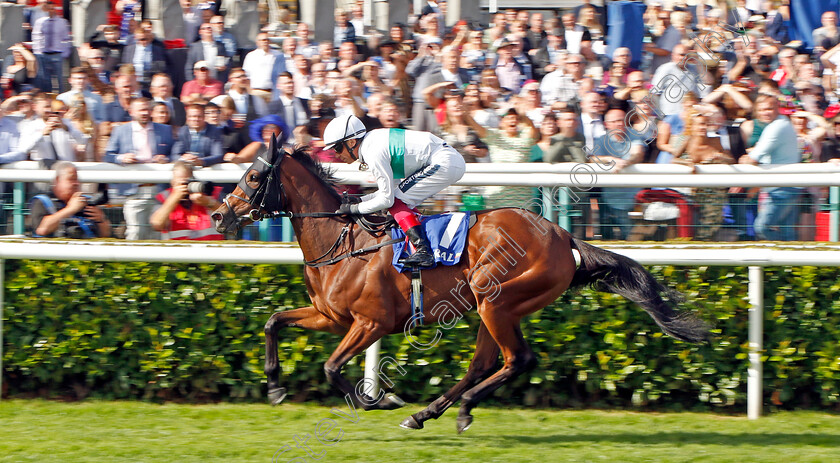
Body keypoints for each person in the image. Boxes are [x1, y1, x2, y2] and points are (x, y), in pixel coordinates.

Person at [324, 114, 466, 268]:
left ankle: (423, 250)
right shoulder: (372, 142)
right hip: (445, 159)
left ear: (352, 142)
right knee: (399, 198)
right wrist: (361, 200)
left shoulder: (373, 152)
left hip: (444, 161)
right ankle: (421, 244)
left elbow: (387, 199)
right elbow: (391, 191)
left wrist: (354, 208)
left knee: (397, 201)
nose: (337, 154)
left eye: (337, 148)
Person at [104, 97, 175, 240]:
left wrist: (165, 159)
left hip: (159, 189)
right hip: (134, 190)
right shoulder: (120, 130)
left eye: (147, 109)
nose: (144, 113)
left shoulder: (165, 129)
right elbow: (108, 155)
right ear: (131, 112)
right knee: (135, 232)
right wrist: (122, 158)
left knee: (158, 232)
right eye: (141, 110)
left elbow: (175, 153)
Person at [739, 94, 801, 241]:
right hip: (787, 186)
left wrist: (744, 159)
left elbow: (753, 158)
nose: (765, 113)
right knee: (788, 234)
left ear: (777, 109)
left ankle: (785, 254)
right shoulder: (782, 123)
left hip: (782, 188)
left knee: (762, 227)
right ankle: (789, 259)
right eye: (761, 110)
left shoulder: (776, 127)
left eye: (769, 109)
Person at [29, 161, 111, 238]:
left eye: (77, 179)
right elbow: (42, 230)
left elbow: (106, 235)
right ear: (58, 180)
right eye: (71, 179)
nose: (76, 183)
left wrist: (101, 220)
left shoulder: (87, 201)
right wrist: (71, 209)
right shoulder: (42, 201)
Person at [151, 160, 224, 240]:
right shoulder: (164, 197)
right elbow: (157, 224)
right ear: (172, 182)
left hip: (210, 249)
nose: (185, 188)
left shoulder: (211, 193)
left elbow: (231, 220)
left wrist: (210, 203)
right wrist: (174, 198)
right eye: (181, 184)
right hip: (177, 250)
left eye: (187, 183)